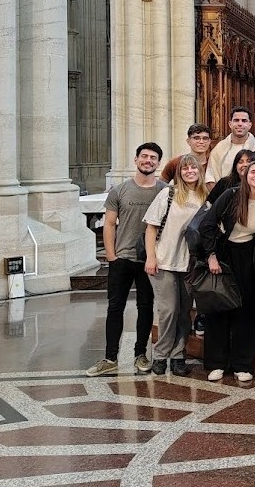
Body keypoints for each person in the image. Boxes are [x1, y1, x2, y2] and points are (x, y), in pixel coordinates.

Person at [86, 142, 165, 376]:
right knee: (115, 308)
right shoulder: (119, 190)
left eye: (153, 158)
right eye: (144, 156)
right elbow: (109, 223)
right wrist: (111, 255)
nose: (148, 160)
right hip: (122, 258)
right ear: (136, 160)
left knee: (145, 307)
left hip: (149, 259)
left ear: (158, 163)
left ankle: (140, 355)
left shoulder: (163, 190)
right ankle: (110, 357)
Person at [199, 160, 255, 383]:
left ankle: (242, 364)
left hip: (251, 258)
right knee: (219, 309)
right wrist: (211, 255)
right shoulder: (231, 195)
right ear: (245, 175)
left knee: (248, 312)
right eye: (253, 172)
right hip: (225, 256)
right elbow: (207, 224)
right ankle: (217, 364)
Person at [143, 153, 207, 377]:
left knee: (183, 312)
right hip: (164, 261)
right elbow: (151, 227)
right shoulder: (168, 194)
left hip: (189, 264)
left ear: (199, 171)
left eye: (193, 168)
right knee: (168, 311)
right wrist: (151, 257)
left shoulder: (204, 198)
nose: (190, 172)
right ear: (179, 172)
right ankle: (160, 355)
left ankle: (178, 356)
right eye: (185, 168)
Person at [206, 106, 255, 188]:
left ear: (250, 125)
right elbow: (210, 178)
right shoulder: (219, 149)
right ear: (230, 124)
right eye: (236, 120)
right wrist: (223, 199)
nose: (240, 124)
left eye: (244, 121)